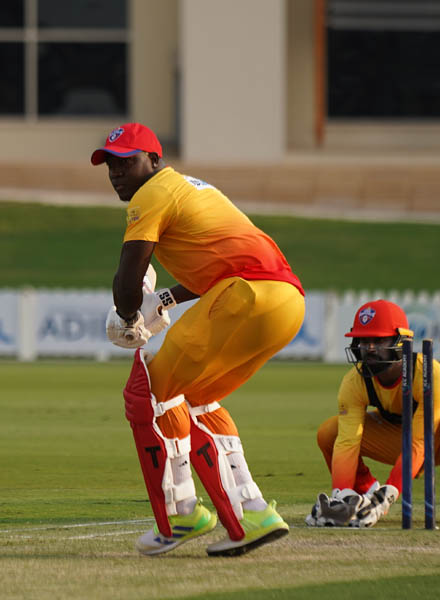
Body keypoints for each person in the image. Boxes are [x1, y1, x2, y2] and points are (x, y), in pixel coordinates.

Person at [94, 122, 305, 557]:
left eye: (127, 162)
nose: (117, 173)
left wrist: (130, 316)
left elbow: (128, 278)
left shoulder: (150, 195)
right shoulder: (193, 189)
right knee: (199, 400)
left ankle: (190, 512)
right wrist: (166, 299)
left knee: (149, 393)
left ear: (154, 160)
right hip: (286, 302)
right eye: (111, 164)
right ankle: (254, 507)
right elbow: (216, 267)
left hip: (247, 295)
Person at [306, 299, 440, 528]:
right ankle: (363, 494)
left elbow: (419, 443)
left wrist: (388, 495)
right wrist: (341, 493)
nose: (368, 349)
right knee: (330, 432)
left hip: (433, 442)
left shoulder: (428, 374)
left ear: (402, 341)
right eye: (363, 341)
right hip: (396, 440)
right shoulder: (354, 381)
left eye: (378, 341)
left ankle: (378, 497)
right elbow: (348, 442)